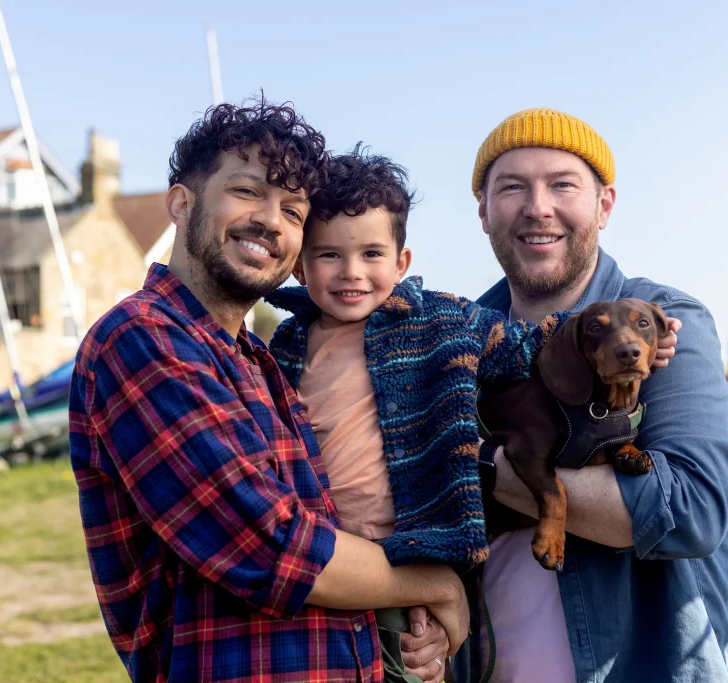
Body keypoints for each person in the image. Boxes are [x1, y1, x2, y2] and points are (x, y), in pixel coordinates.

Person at [68, 99, 464, 683]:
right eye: (248, 191)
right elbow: (272, 546)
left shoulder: (263, 360)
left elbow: (331, 532)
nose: (272, 222)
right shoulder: (141, 338)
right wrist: (436, 585)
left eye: (294, 211)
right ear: (181, 203)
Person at [263, 146, 679, 683]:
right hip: (328, 547)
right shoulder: (283, 347)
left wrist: (630, 341)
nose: (352, 273)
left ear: (401, 263)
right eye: (329, 256)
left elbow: (530, 342)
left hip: (412, 546)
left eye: (371, 254)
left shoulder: (441, 320)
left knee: (411, 661)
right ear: (300, 265)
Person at [445, 108, 728, 682]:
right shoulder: (454, 342)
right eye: (511, 187)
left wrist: (478, 467)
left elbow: (691, 511)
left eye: (563, 185)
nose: (538, 207)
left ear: (604, 205)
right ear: (483, 211)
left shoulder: (666, 324)